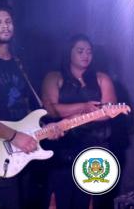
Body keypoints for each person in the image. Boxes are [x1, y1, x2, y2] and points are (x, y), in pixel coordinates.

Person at [0, 5, 62, 209]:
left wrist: (47, 128)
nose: (5, 26)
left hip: (28, 149)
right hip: (1, 150)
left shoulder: (19, 62)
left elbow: (30, 107)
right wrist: (14, 136)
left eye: (8, 21)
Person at [41, 34, 118, 209]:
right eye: (80, 51)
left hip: (95, 147)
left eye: (89, 51)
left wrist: (76, 113)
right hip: (63, 147)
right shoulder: (54, 77)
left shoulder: (101, 78)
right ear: (69, 52)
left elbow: (109, 111)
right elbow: (50, 109)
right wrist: (84, 107)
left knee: (91, 201)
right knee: (60, 198)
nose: (86, 55)